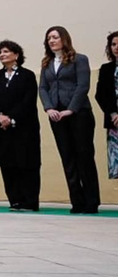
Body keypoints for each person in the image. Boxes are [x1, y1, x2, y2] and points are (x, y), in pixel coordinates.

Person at [41, 25, 98, 214]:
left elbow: (83, 86)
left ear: (64, 38)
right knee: (68, 158)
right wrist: (49, 108)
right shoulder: (47, 63)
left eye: (55, 37)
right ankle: (77, 200)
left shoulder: (79, 59)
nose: (52, 41)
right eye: (49, 38)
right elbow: (43, 88)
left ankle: (91, 201)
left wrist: (71, 109)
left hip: (78, 113)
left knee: (84, 156)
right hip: (56, 115)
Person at [0, 39, 40, 210]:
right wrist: (0, 116)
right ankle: (14, 200)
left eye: (6, 51)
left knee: (26, 163)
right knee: (7, 164)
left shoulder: (27, 75)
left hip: (24, 127)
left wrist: (11, 118)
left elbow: (28, 101)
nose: (2, 55)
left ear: (16, 55)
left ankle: (29, 201)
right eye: (0, 52)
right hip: (1, 127)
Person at [97, 31, 118, 182]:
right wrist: (113, 113)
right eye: (113, 44)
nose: (116, 47)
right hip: (114, 123)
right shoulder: (106, 69)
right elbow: (101, 95)